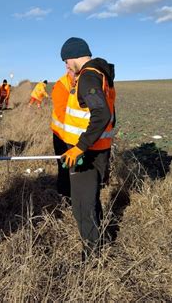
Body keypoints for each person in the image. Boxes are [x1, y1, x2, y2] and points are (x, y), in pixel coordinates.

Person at [58, 37, 116, 262]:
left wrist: (79, 148)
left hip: (86, 153)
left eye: (65, 61)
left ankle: (92, 257)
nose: (66, 66)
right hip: (97, 149)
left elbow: (102, 114)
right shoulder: (102, 74)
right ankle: (100, 240)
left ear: (73, 56)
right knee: (90, 200)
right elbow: (110, 114)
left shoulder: (88, 76)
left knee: (81, 206)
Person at [50, 70, 76, 198]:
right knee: (64, 167)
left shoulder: (83, 82)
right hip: (62, 136)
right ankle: (64, 196)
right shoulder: (61, 85)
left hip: (77, 137)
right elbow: (62, 115)